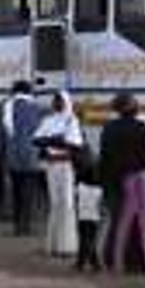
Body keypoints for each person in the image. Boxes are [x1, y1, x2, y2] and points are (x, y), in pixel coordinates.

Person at [99, 93, 145, 276]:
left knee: (118, 222)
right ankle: (143, 262)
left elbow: (105, 157)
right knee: (144, 221)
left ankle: (114, 260)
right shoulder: (141, 127)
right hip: (140, 180)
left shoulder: (109, 128)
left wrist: (106, 182)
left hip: (115, 180)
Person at [34, 91, 82, 258]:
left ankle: (67, 246)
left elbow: (75, 145)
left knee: (67, 202)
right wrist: (57, 140)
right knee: (54, 203)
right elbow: (36, 140)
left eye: (59, 100)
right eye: (55, 100)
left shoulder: (71, 120)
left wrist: (51, 140)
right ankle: (53, 244)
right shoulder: (48, 120)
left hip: (66, 166)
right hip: (51, 165)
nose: (56, 103)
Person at [1, 80, 48, 236]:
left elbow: (3, 134)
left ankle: (17, 225)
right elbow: (41, 132)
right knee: (27, 192)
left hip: (12, 155)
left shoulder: (6, 107)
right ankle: (24, 225)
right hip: (31, 155)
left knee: (16, 191)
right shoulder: (37, 108)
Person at [75, 163, 104, 272]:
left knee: (83, 240)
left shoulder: (80, 187)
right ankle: (93, 262)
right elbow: (101, 205)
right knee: (92, 240)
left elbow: (75, 198)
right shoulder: (99, 190)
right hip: (94, 218)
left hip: (82, 218)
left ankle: (82, 262)